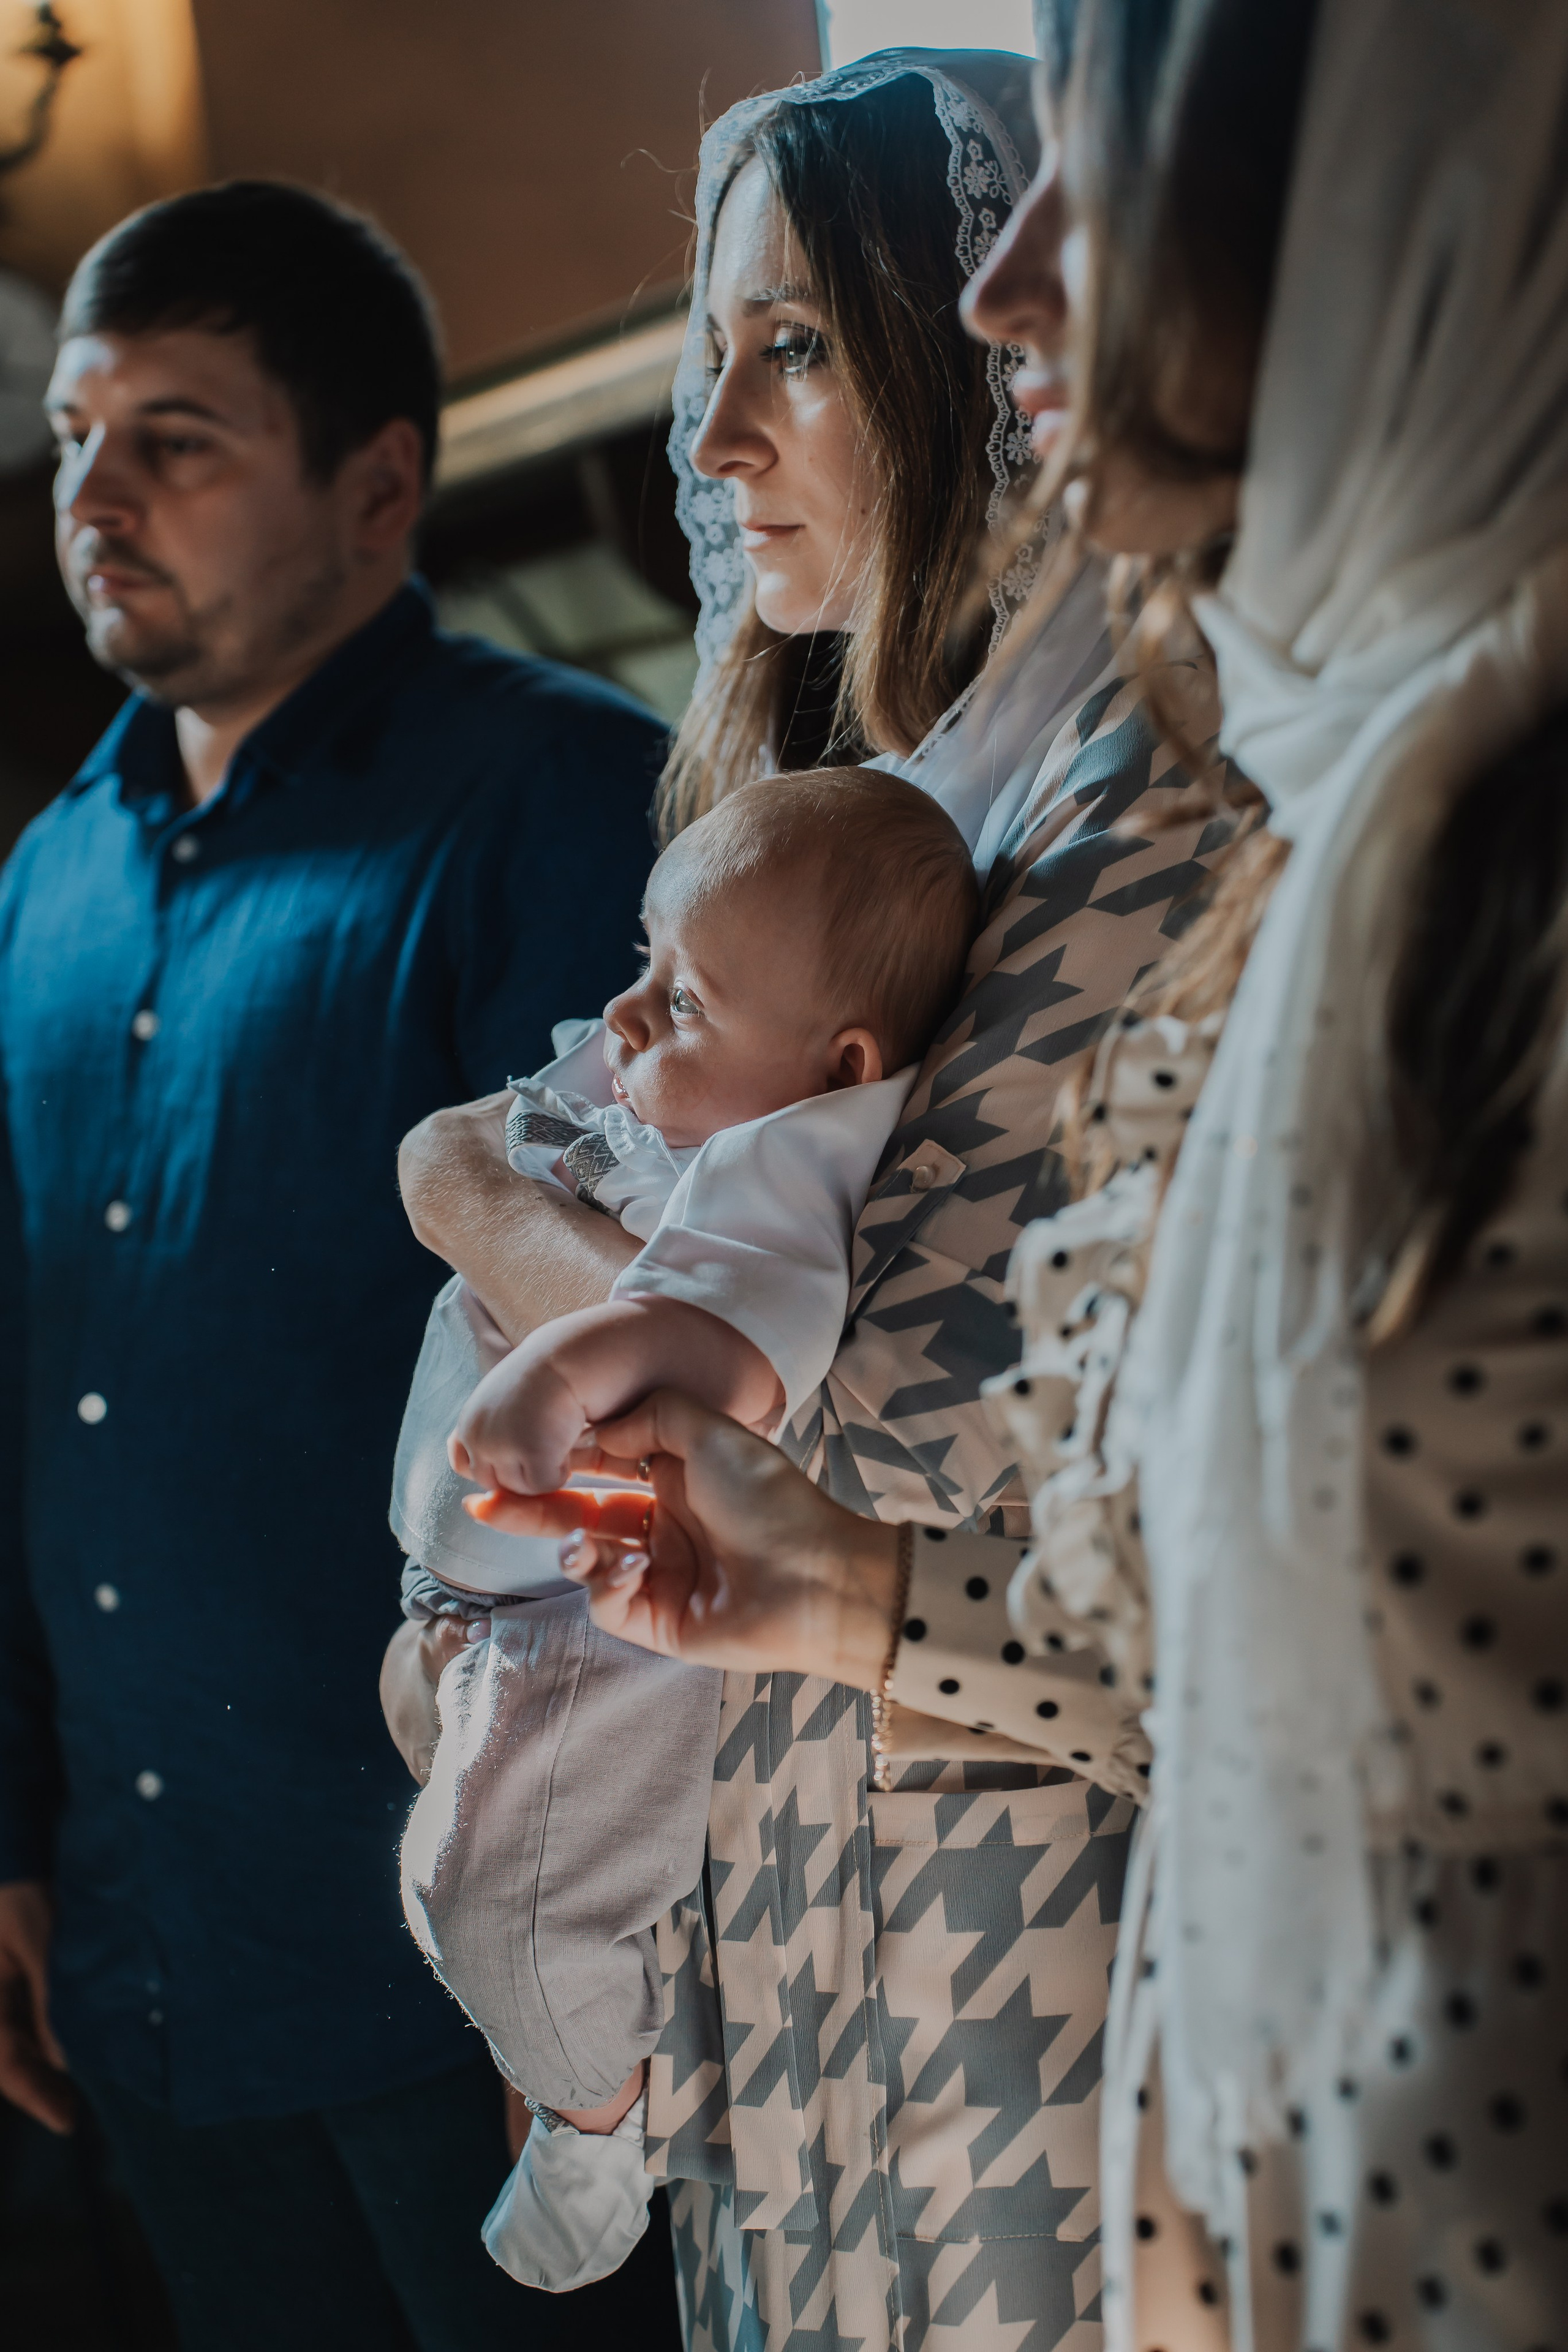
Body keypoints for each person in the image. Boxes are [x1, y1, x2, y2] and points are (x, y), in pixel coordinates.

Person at [507, 2, 1568, 2348]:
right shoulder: (921, 822)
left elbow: (943, 1395)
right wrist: (833, 1594)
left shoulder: (1224, 818)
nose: (1020, 303)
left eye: (796, 336)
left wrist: (500, 1224)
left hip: (1072, 1975)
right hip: (894, 1940)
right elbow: (1150, 1579)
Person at [390, 43, 1246, 2352]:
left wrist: (482, 1205)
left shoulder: (1150, 823)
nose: (714, 436)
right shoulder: (847, 832)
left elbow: (883, 1457)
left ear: (973, 347)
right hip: (775, 1983)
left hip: (1016, 1997)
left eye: (796, 348)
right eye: (709, 356)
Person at [0, 180, 673, 2351]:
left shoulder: (562, 798)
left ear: (380, 482)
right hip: (143, 1946)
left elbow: (658, 1390)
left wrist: (583, 1965)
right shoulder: (44, 879)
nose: (93, 488)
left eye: (175, 437)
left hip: (473, 1981)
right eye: (78, 431)